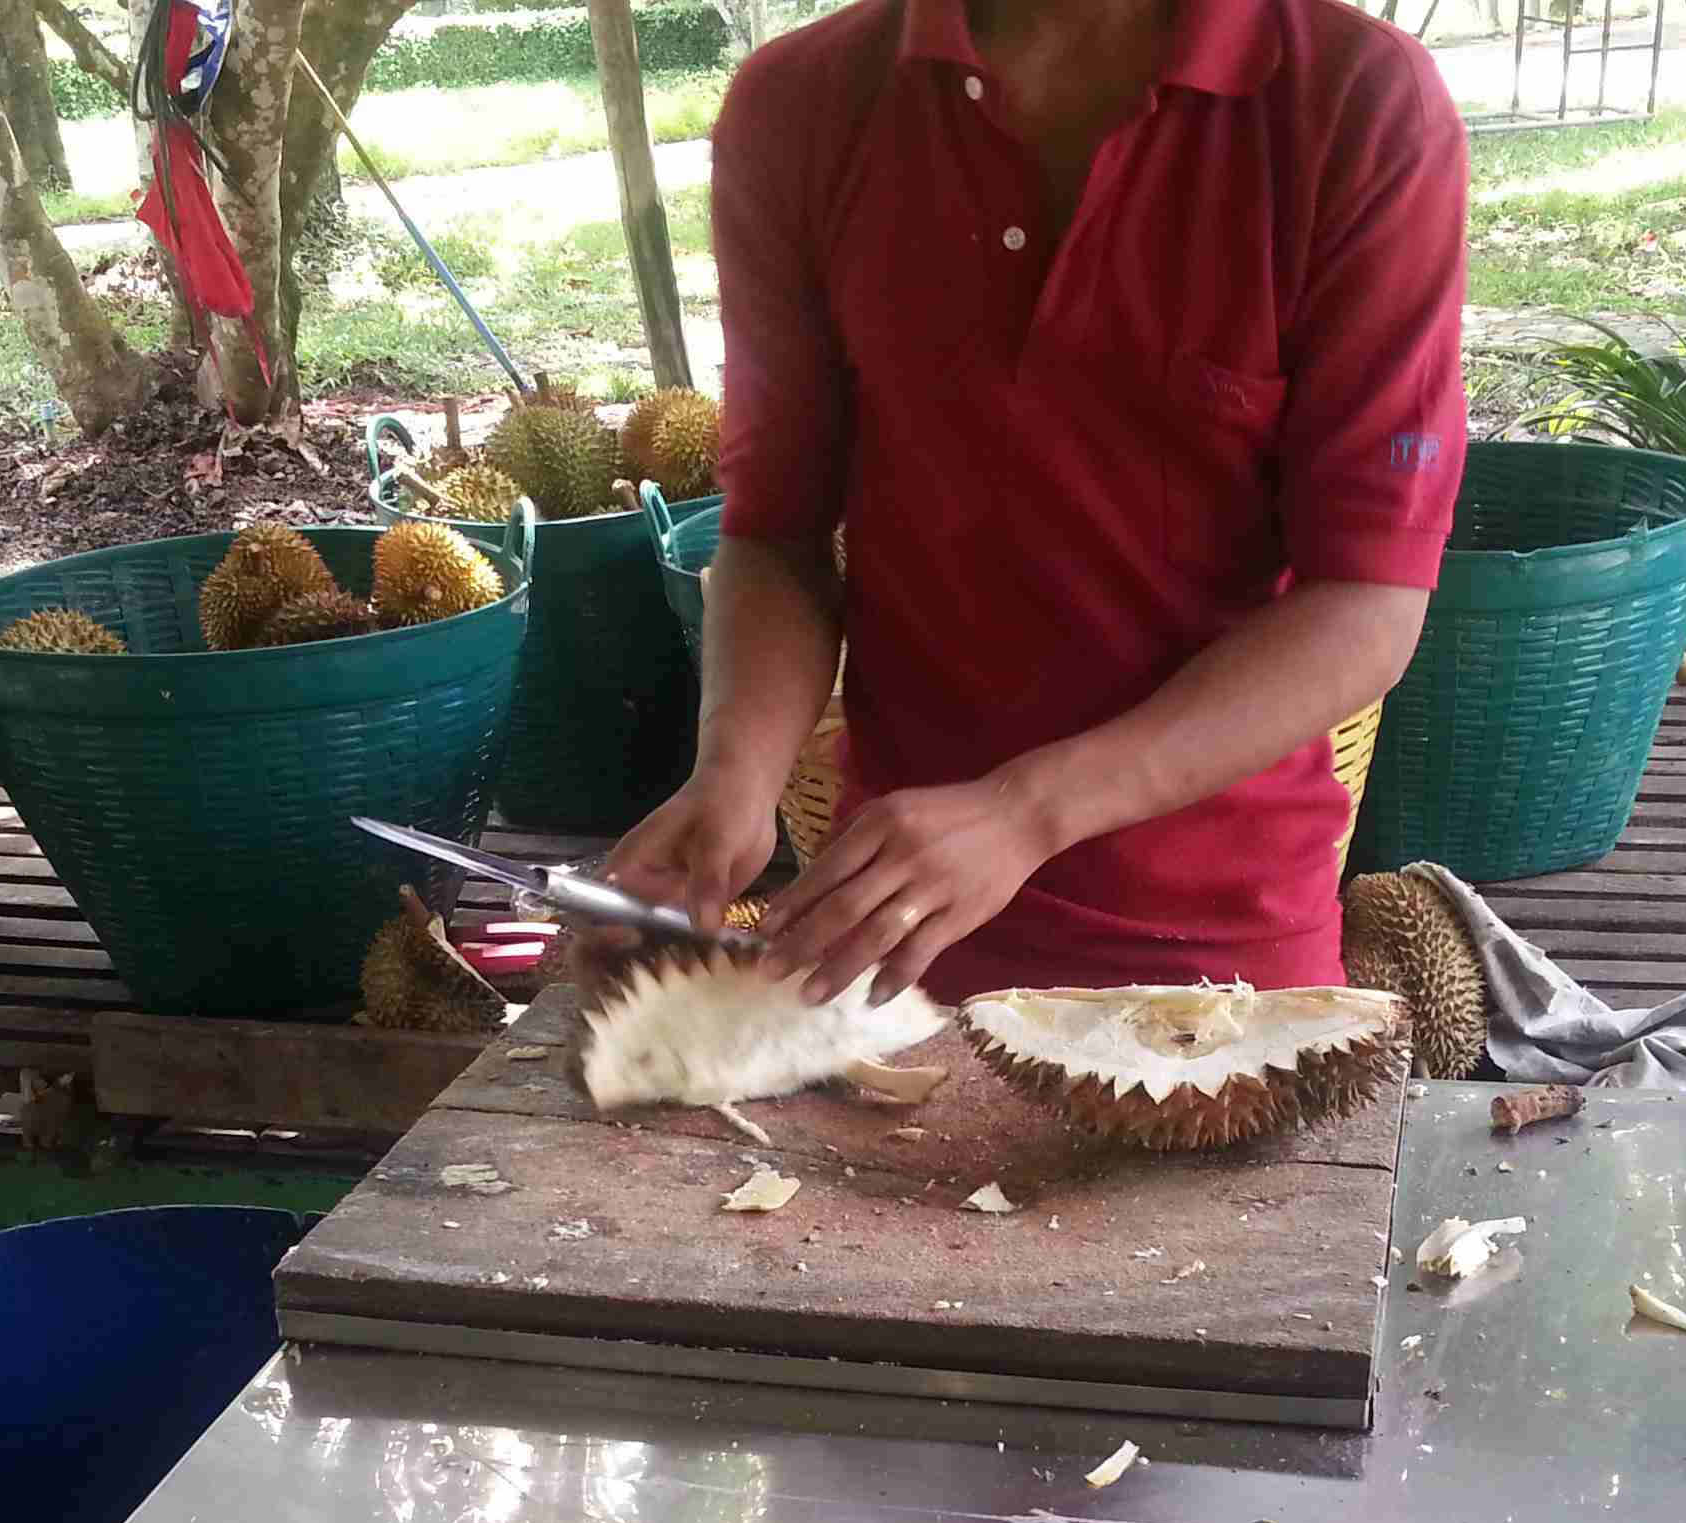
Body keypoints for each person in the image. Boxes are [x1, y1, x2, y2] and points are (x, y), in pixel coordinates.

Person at [600, 0, 1469, 1009]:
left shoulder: (1358, 104)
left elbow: (1367, 601)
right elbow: (777, 533)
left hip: (1220, 939)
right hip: (895, 925)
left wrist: (1024, 812)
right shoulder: (801, 104)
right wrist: (736, 780)